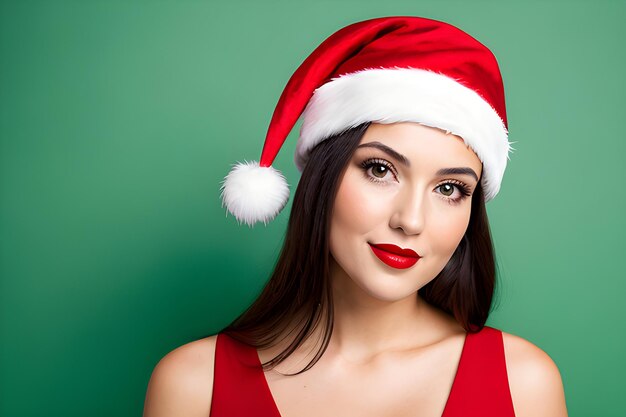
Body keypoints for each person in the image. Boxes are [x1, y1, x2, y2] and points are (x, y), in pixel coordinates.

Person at [143, 16, 568, 417]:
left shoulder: (524, 386)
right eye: (380, 170)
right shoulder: (192, 386)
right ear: (322, 175)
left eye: (449, 189)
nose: (411, 220)